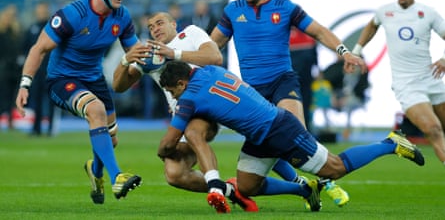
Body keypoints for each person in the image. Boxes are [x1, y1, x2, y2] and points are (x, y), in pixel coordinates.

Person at [158, 60, 424, 213]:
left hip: (279, 129)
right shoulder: (211, 71)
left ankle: (390, 143)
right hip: (259, 134)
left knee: (335, 168)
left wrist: (164, 153)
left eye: (174, 92)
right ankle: (304, 189)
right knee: (248, 187)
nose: (175, 98)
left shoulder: (189, 97)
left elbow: (168, 143)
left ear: (181, 84)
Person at [210, 0, 367, 207]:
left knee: (296, 133)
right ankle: (306, 187)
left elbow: (319, 31)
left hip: (283, 81)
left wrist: (344, 51)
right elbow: (212, 46)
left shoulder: (285, 7)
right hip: (252, 93)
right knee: (253, 178)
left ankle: (328, 180)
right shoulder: (233, 10)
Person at [15, 0, 142, 204]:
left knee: (111, 139)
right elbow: (38, 49)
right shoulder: (71, 15)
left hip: (94, 79)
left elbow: (135, 52)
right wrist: (25, 84)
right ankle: (117, 176)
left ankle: (95, 172)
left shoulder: (122, 16)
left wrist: (149, 61)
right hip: (62, 80)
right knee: (96, 111)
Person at [112, 12, 257, 212]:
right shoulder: (151, 54)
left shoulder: (191, 33)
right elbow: (118, 86)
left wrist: (174, 54)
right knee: (175, 174)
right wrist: (125, 60)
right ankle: (230, 190)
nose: (155, 28)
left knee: (194, 133)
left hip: (209, 105)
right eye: (151, 27)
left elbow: (214, 57)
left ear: (174, 24)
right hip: (181, 114)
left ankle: (215, 187)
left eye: (160, 23)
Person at [353, 0, 445, 165]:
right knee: (433, 128)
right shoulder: (385, 12)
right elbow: (372, 25)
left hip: (433, 80)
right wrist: (357, 50)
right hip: (407, 85)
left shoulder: (427, 13)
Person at [21, 1, 56, 136]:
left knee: (53, 100)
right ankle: (36, 128)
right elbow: (25, 48)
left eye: (43, 10)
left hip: (51, 70)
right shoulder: (32, 28)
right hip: (37, 71)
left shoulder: (54, 27)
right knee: (36, 99)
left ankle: (51, 129)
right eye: (39, 10)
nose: (41, 12)